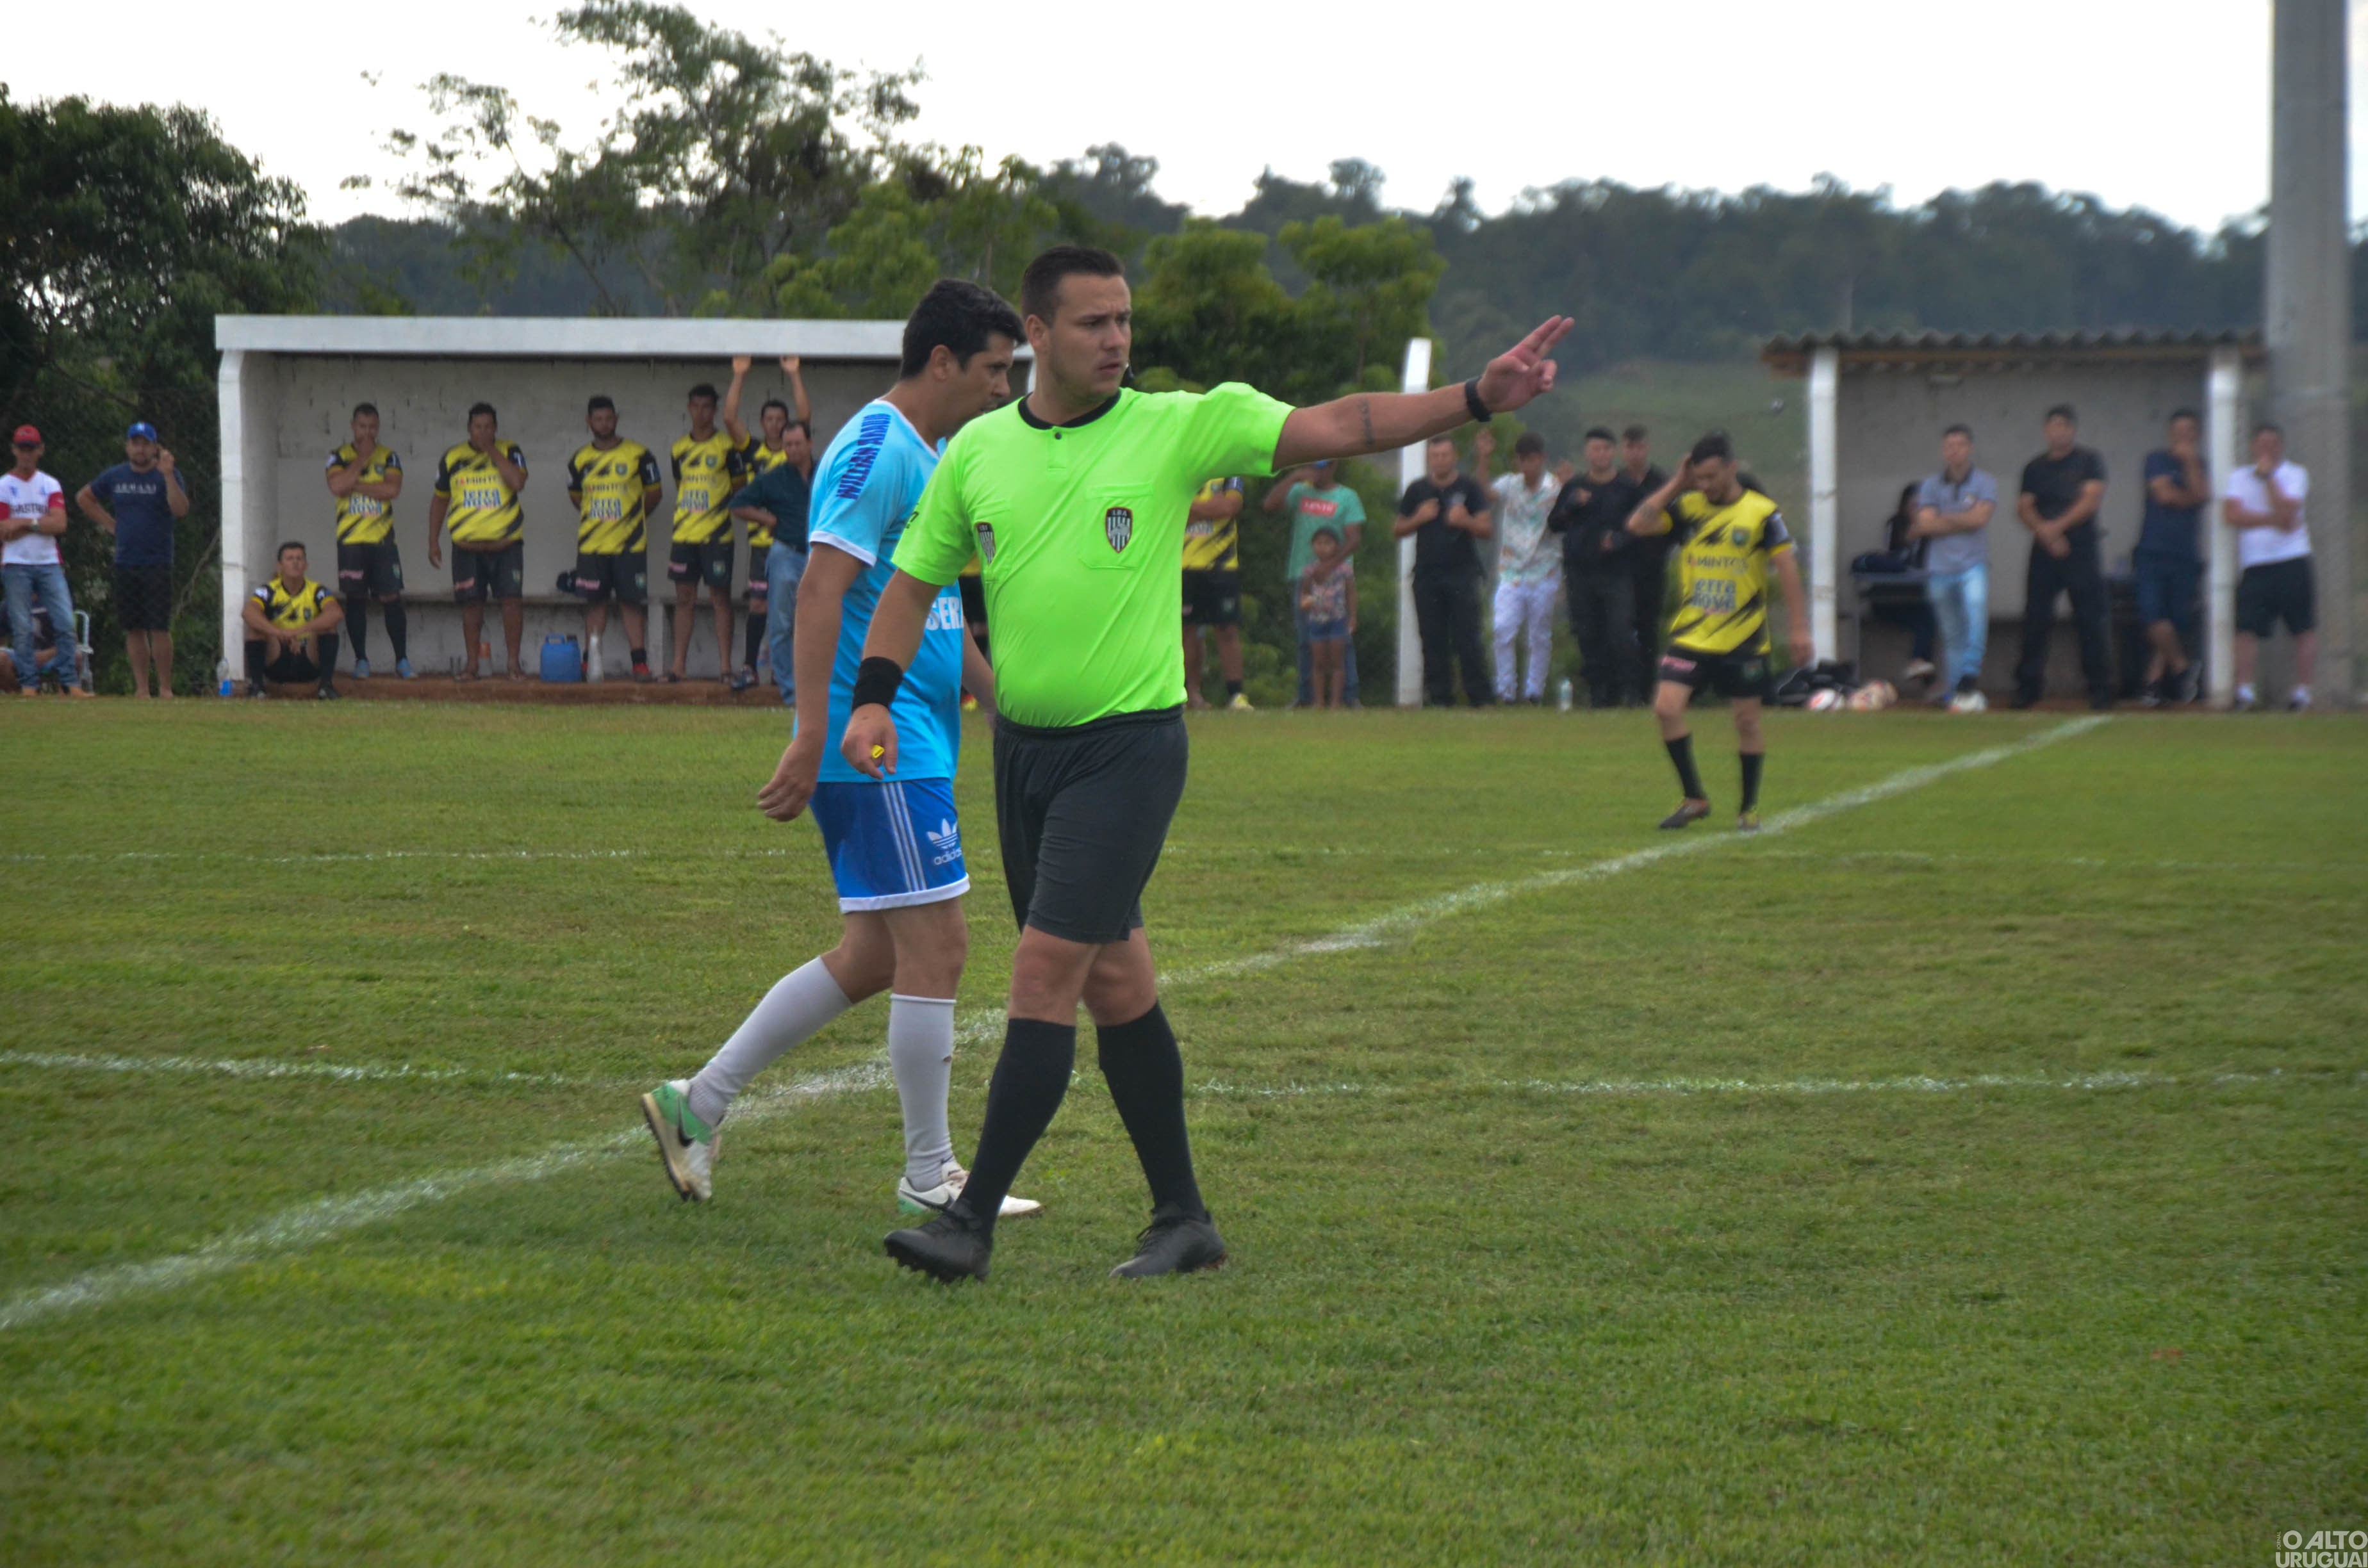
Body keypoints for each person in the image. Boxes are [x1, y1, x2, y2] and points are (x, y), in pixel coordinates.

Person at [848, 242, 1571, 1283]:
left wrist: (1472, 397)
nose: (1117, 339)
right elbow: (913, 584)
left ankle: (967, 1222)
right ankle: (1183, 1216)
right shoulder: (976, 453)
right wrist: (871, 697)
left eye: (1125, 320)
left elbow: (1345, 423)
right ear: (1038, 334)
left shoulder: (1178, 423)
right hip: (1026, 761)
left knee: (1044, 969)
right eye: (1093, 322)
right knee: (1116, 981)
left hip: (1130, 751)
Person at [639, 278, 1041, 1223]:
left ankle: (693, 1105)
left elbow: (931, 604)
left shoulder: (934, 453)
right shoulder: (874, 445)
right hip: (874, 747)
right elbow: (819, 590)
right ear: (942, 362)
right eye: (993, 370)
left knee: (875, 956)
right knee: (938, 943)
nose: (1002, 389)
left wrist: (997, 698)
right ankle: (931, 1172)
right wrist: (814, 728)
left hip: (915, 742)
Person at [1627, 430, 1813, 833]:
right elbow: (1637, 524)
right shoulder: (1688, 506)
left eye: (1713, 477)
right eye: (1701, 478)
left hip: (1743, 639)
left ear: (1732, 468)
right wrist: (1677, 483)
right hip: (1693, 634)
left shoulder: (1762, 513)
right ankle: (1695, 797)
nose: (1706, 486)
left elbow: (1788, 570)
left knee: (1746, 722)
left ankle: (1748, 809)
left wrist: (1799, 628)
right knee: (1665, 708)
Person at [77, 420, 190, 698]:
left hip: (158, 561)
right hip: (126, 561)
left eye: (145, 443)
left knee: (159, 626)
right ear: (128, 446)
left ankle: (165, 687)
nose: (140, 449)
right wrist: (110, 524)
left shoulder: (167, 475)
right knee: (133, 627)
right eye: (135, 443)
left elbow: (181, 509)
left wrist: (167, 476)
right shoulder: (116, 476)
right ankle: (142, 688)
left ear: (155, 447)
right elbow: (84, 497)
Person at [724, 355, 814, 697]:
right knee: (762, 607)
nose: (776, 425)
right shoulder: (753, 450)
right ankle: (751, 666)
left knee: (800, 613)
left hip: (800, 546)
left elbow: (805, 417)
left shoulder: (798, 451)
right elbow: (730, 418)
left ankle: (786, 674)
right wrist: (739, 376)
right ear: (762, 423)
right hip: (765, 546)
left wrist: (794, 374)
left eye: (781, 420)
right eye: (770, 419)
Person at [2012, 405, 2112, 710]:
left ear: (2073, 430)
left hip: (2080, 549)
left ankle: (2101, 690)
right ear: (2046, 431)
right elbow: (2025, 506)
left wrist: (2057, 527)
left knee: (2091, 620)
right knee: (2036, 620)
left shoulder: (2090, 461)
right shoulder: (2034, 468)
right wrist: (2045, 532)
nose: (2059, 432)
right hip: (2044, 550)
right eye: (2054, 426)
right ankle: (2027, 689)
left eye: (2065, 426)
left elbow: (2090, 500)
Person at [426, 403, 529, 681]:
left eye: (488, 427)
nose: (482, 432)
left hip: (506, 546)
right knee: (471, 605)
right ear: (469, 429)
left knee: (511, 602)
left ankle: (513, 665)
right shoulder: (452, 457)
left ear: (495, 428)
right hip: (467, 548)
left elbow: (517, 483)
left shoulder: (510, 451)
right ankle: (472, 665)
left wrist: (491, 450)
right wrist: (433, 541)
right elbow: (440, 500)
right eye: (477, 427)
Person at [566, 395, 662, 683]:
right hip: (592, 546)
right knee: (595, 604)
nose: (604, 424)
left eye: (609, 419)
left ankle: (640, 665)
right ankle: (590, 663)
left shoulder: (638, 454)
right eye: (598, 419)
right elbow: (576, 498)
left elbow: (655, 494)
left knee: (631, 603)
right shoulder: (580, 460)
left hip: (630, 545)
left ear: (616, 420)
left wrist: (631, 519)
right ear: (589, 422)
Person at [2221, 422, 2316, 712]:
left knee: (2302, 628)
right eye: (2261, 444)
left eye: (2272, 445)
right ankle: (2245, 691)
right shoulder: (2238, 477)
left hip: (2292, 560)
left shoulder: (2295, 474)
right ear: (2253, 446)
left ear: (2280, 446)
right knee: (2246, 627)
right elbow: (2232, 515)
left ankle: (2302, 692)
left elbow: (2289, 516)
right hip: (2256, 564)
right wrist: (2272, 519)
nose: (2266, 450)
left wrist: (2269, 479)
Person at [1395, 434, 1495, 707]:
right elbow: (1398, 529)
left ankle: (1480, 697)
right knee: (1432, 638)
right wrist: (1419, 518)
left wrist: (1465, 521)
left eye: (1444, 455)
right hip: (1427, 574)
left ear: (1455, 457)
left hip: (1462, 573)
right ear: (1430, 459)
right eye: (1435, 456)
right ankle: (1440, 698)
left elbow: (1486, 529)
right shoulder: (1417, 490)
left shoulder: (1470, 488)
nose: (1440, 460)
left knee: (1468, 637)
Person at [1265, 458, 1367, 706]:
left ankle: (1348, 697)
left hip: (1337, 581)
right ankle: (1306, 696)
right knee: (1307, 639)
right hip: (1305, 576)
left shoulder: (1347, 497)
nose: (1315, 473)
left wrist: (1330, 565)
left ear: (1332, 468)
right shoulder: (1301, 492)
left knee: (1341, 641)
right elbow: (1270, 505)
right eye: (1312, 467)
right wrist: (1293, 478)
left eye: (1320, 468)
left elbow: (1354, 539)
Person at [1912, 424, 1998, 714]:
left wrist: (1942, 520)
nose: (1954, 450)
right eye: (1949, 445)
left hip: (1972, 565)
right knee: (1951, 633)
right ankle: (1956, 692)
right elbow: (1924, 524)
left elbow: (1980, 520)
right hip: (1940, 568)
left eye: (1960, 445)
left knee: (1975, 610)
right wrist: (1962, 517)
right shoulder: (1931, 485)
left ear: (1969, 448)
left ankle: (1969, 677)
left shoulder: (1985, 482)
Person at [1549, 426, 1638, 707]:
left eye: (1605, 449)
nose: (1600, 455)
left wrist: (1621, 540)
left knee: (1620, 632)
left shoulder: (1626, 488)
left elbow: (1643, 526)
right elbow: (1554, 524)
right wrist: (1572, 505)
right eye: (1595, 449)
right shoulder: (1575, 486)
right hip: (1580, 573)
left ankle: (1629, 693)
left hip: (1616, 573)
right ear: (1587, 453)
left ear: (1613, 452)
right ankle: (1598, 695)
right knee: (1587, 633)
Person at [324, 403, 411, 680]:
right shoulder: (338, 456)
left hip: (382, 540)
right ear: (353, 427)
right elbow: (337, 487)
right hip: (351, 541)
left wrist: (356, 484)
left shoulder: (389, 457)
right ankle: (362, 660)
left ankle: (402, 660)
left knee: (391, 597)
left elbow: (392, 490)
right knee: (356, 598)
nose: (367, 432)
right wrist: (361, 461)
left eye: (372, 427)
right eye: (362, 427)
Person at [666, 380, 744, 684]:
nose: (701, 413)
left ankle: (725, 667)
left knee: (720, 599)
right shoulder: (679, 449)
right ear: (689, 409)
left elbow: (739, 488)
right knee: (684, 599)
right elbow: (679, 484)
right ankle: (678, 666)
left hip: (717, 536)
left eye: (707, 407)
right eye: (695, 407)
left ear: (714, 410)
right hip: (684, 535)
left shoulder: (727, 447)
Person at [2, 425, 86, 698]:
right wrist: (41, 523)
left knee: (64, 621)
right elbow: (3, 528)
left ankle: (70, 682)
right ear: (14, 450)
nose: (26, 454)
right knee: (22, 627)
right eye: (22, 448)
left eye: (31, 448)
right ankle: (29, 685)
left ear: (40, 450)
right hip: (15, 563)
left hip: (49, 562)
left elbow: (60, 523)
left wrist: (24, 522)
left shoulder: (50, 484)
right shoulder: (4, 485)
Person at [2134, 410, 2210, 706]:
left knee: (2174, 621)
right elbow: (2165, 495)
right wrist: (2191, 498)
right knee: (2153, 617)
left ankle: (2152, 684)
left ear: (2197, 434)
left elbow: (2203, 495)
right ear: (2170, 433)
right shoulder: (2156, 460)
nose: (2183, 437)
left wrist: (2190, 462)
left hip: (2185, 554)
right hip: (2152, 551)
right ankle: (2182, 669)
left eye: (2189, 431)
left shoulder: (2200, 464)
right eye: (2178, 431)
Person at [1480, 428, 1561, 704]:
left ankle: (1534, 691)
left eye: (1533, 460)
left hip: (1544, 570)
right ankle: (1505, 691)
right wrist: (1483, 459)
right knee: (1503, 629)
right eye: (1523, 461)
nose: (1528, 467)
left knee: (1538, 634)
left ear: (1542, 459)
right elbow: (1484, 494)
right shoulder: (1510, 484)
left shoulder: (1554, 489)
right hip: (1511, 570)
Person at [1181, 476, 1251, 710]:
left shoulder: (1231, 473)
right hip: (1184, 564)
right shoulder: (1185, 470)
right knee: (1187, 630)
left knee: (1227, 628)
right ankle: (1191, 695)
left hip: (1223, 566)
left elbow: (1230, 507)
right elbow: (1171, 509)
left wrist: (1191, 507)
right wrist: (1212, 508)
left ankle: (1236, 695)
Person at [240, 541, 343, 699]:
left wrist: (300, 631)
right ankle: (256, 687)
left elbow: (335, 613)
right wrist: (280, 633)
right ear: (279, 566)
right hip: (277, 657)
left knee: (328, 628)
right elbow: (248, 612)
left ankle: (326, 686)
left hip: (308, 657)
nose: (295, 563)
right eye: (290, 559)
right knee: (255, 630)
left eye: (299, 559)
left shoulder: (317, 590)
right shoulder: (268, 590)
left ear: (306, 565)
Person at [1621, 425, 1672, 703]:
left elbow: (1672, 523)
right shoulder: (1617, 481)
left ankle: (1647, 689)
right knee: (1621, 629)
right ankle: (1624, 689)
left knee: (1649, 629)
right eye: (1629, 447)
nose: (1634, 453)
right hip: (1621, 568)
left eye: (1639, 447)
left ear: (1647, 448)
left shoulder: (1660, 483)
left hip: (1652, 566)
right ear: (1623, 449)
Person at [1298, 525, 1356, 708]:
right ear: (1313, 546)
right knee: (1318, 662)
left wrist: (1353, 616)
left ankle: (1336, 702)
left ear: (1336, 546)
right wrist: (1306, 604)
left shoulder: (1344, 569)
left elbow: (1351, 593)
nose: (1323, 547)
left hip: (1338, 618)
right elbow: (1305, 594)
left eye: (1328, 543)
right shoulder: (1309, 570)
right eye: (1319, 543)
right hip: (1317, 619)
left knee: (1337, 661)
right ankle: (1318, 701)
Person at [0, 595, 67, 690]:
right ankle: (19, 695)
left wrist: (47, 655)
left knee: (76, 657)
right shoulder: (9, 604)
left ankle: (64, 696)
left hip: (53, 655)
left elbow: (71, 641)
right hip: (20, 656)